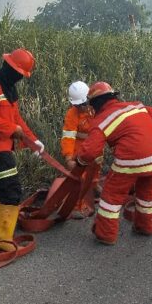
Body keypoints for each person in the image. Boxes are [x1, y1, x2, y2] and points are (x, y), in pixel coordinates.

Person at [75, 81, 152, 245]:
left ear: (94, 104)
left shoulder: (101, 120)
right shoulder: (136, 106)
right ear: (113, 97)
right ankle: (145, 227)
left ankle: (105, 235)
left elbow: (90, 152)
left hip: (132, 156)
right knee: (147, 194)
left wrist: (79, 161)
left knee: (112, 193)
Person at [0, 48, 45, 251]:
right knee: (11, 189)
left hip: (4, 146)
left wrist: (33, 140)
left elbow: (17, 120)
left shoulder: (8, 90)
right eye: (19, 73)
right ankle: (4, 240)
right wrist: (12, 129)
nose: (20, 78)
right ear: (10, 68)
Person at [61, 80, 97, 219]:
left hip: (95, 144)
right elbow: (68, 137)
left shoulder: (95, 107)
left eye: (84, 103)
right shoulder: (72, 114)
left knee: (96, 169)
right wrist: (68, 157)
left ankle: (93, 187)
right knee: (80, 178)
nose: (82, 107)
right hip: (79, 148)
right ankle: (75, 206)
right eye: (78, 105)